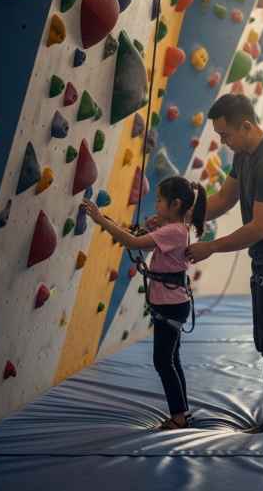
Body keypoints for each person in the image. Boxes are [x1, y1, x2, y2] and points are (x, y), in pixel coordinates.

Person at [186, 94, 263, 434]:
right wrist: (182, 217)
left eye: (225, 135)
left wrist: (211, 246)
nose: (223, 142)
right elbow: (224, 199)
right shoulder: (243, 156)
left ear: (246, 126)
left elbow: (260, 227)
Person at [81, 176, 206, 430]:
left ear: (175, 204)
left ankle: (179, 417)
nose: (156, 204)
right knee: (171, 359)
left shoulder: (173, 231)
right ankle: (182, 411)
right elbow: (145, 241)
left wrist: (100, 219)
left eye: (159, 200)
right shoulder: (175, 228)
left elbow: (133, 242)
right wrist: (152, 227)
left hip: (171, 304)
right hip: (172, 303)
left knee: (163, 361)